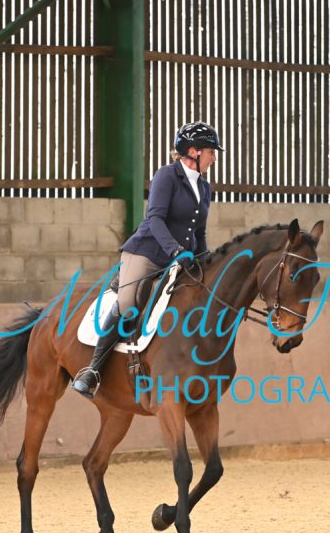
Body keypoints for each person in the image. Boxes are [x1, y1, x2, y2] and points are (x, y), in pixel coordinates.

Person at [72, 121, 224, 398]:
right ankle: (93, 370)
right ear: (194, 151)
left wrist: (205, 261)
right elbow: (155, 218)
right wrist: (175, 251)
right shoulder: (167, 176)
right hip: (147, 253)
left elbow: (199, 232)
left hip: (183, 259)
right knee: (129, 305)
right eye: (212, 152)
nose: (214, 158)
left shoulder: (205, 187)